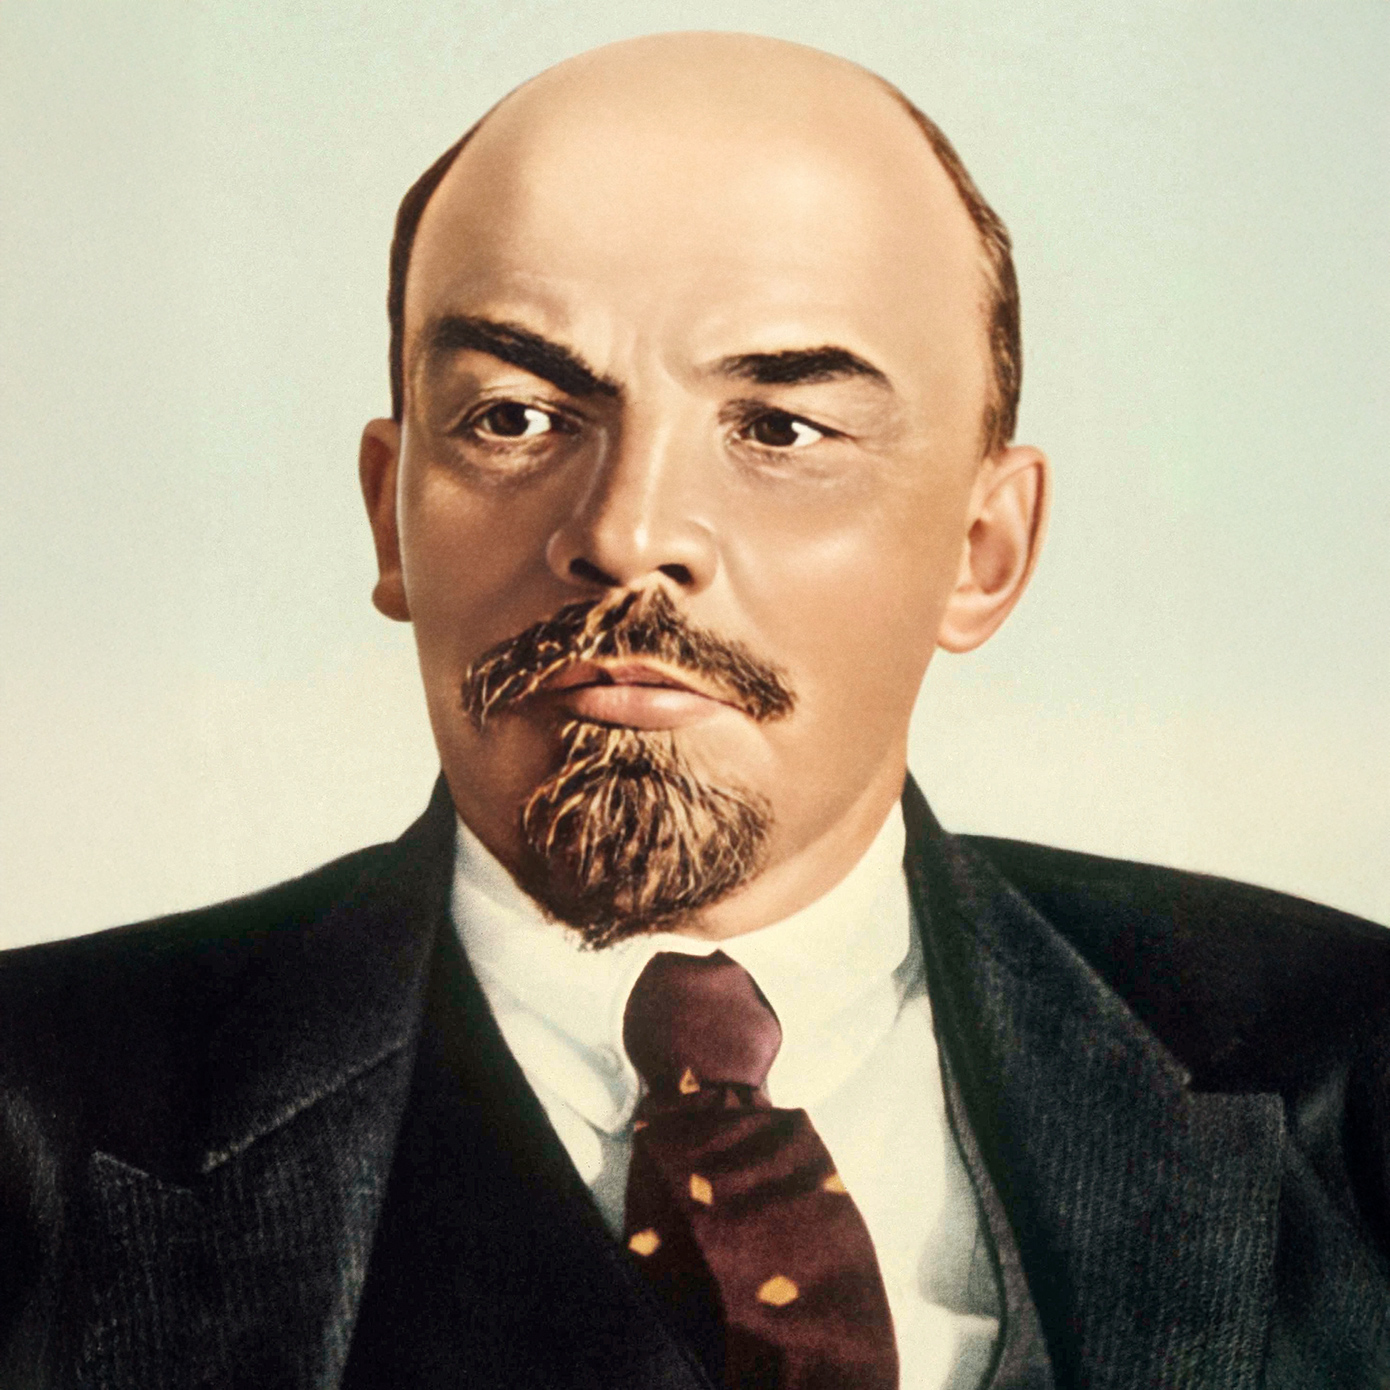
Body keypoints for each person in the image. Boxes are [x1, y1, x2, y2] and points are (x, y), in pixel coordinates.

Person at [1, 31, 1387, 1390]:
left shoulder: (1350, 1065)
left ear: (983, 551)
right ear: (390, 513)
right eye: (513, 416)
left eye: (779, 429)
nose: (624, 531)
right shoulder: (34, 1111)